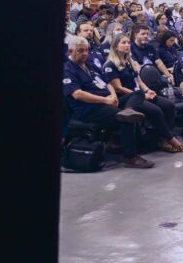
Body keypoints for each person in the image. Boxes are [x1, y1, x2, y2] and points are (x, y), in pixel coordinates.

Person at [63, 36, 154, 169]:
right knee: (126, 119)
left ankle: (128, 111)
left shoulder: (90, 64)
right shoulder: (67, 69)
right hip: (89, 108)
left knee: (138, 93)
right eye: (80, 51)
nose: (84, 54)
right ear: (70, 52)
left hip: (107, 101)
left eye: (86, 50)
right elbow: (77, 94)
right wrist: (105, 100)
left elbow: (106, 82)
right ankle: (130, 157)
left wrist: (113, 96)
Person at [103, 34, 183, 153]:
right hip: (127, 99)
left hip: (139, 94)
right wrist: (142, 95)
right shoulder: (110, 65)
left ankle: (162, 139)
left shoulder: (129, 62)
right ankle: (170, 138)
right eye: (123, 43)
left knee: (169, 106)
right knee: (156, 111)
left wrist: (147, 90)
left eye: (128, 42)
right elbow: (118, 88)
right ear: (116, 47)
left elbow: (139, 81)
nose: (127, 45)